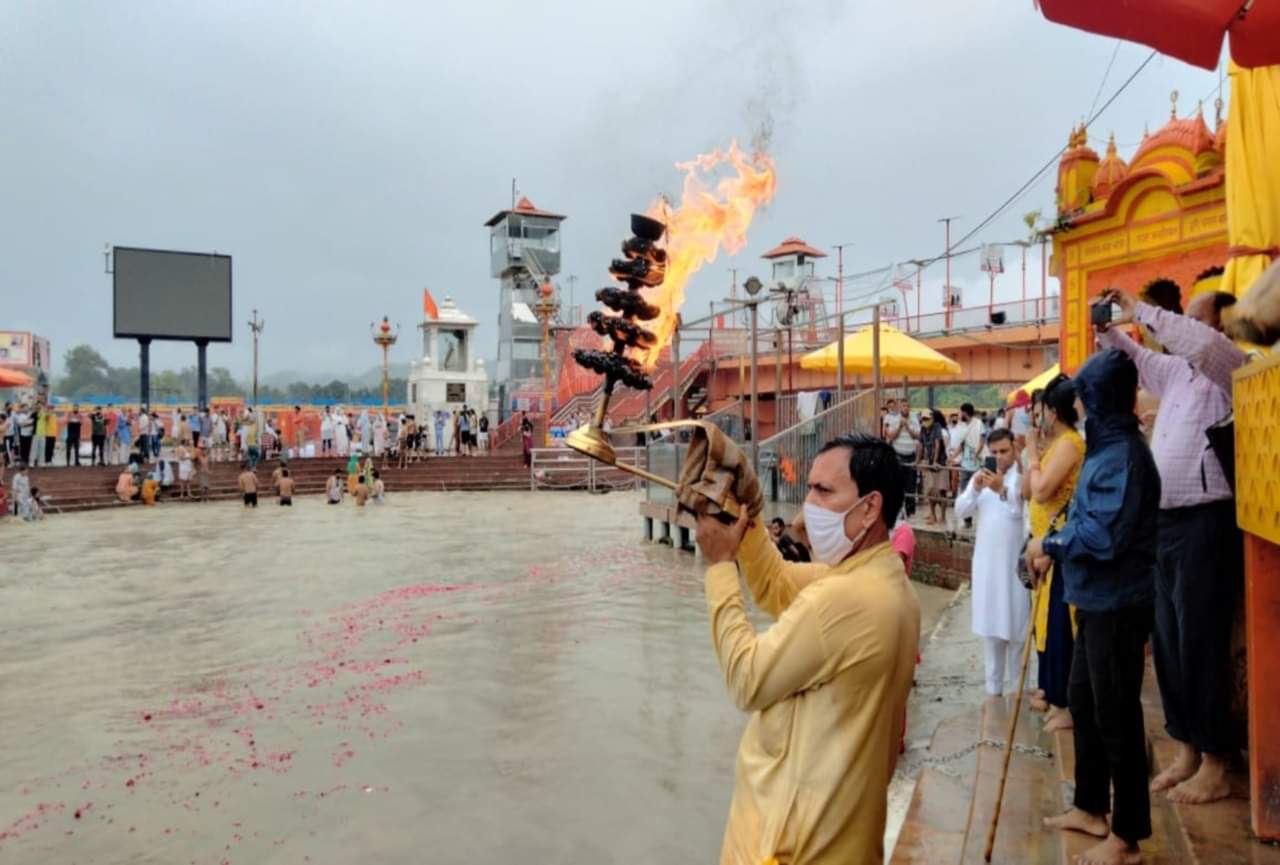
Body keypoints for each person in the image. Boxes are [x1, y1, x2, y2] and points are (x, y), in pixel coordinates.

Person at [693, 433, 920, 865]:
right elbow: (777, 586)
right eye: (809, 489)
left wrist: (721, 568)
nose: (809, 507)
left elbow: (746, 681)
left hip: (792, 848)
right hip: (841, 836)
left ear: (870, 507)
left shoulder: (842, 599)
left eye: (824, 491)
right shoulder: (888, 584)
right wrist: (751, 517)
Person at [1097, 287, 1248, 805]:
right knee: (1167, 640)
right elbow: (1137, 359)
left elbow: (1198, 345)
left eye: (1196, 320)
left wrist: (1141, 310)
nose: (1182, 327)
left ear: (1222, 328)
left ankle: (1215, 761)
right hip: (1163, 524)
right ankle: (1186, 746)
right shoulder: (1178, 374)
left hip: (1208, 523)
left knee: (1201, 641)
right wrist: (1110, 331)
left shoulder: (1231, 366)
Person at [1030, 349, 1159, 865]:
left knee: (1117, 716)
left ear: (1102, 399)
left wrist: (1051, 547)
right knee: (1082, 700)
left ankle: (1127, 836)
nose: (1077, 407)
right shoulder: (1104, 451)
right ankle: (1089, 806)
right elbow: (1076, 514)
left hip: (1118, 604)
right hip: (1093, 599)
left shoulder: (1124, 457)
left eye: (1084, 398)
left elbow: (1101, 536)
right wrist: (1052, 541)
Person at [1021, 375, 1085, 733]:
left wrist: (1032, 453)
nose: (1036, 416)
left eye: (1040, 409)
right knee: (1046, 624)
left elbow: (1043, 492)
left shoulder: (1071, 444)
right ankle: (1053, 693)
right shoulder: (1056, 443)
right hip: (1043, 543)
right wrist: (1035, 456)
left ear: (1052, 410)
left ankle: (1066, 702)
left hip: (1059, 546)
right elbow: (1029, 491)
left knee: (1062, 625)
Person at [955, 428, 1028, 696]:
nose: (998, 457)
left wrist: (1002, 490)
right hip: (987, 570)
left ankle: (1017, 693)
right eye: (994, 452)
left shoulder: (1022, 478)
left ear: (1014, 450)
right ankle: (993, 695)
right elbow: (961, 511)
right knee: (992, 636)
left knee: (1018, 634)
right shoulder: (981, 479)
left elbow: (1021, 512)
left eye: (1004, 451)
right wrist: (974, 489)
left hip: (1014, 570)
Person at [883, 399, 920, 518]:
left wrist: (908, 426)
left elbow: (918, 435)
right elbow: (891, 436)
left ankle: (910, 512)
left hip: (911, 455)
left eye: (908, 406)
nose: (906, 408)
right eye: (903, 406)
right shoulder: (893, 419)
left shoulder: (914, 419)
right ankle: (898, 510)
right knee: (898, 484)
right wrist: (900, 426)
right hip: (898, 455)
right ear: (900, 407)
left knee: (911, 485)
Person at [919, 409, 949, 525]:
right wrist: (918, 460)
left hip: (941, 463)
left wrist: (935, 461)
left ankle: (943, 516)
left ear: (932, 418)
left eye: (927, 418)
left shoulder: (937, 427)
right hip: (929, 463)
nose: (925, 421)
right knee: (930, 491)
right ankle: (933, 515)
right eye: (923, 419)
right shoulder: (923, 428)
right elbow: (920, 444)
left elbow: (937, 444)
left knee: (942, 490)